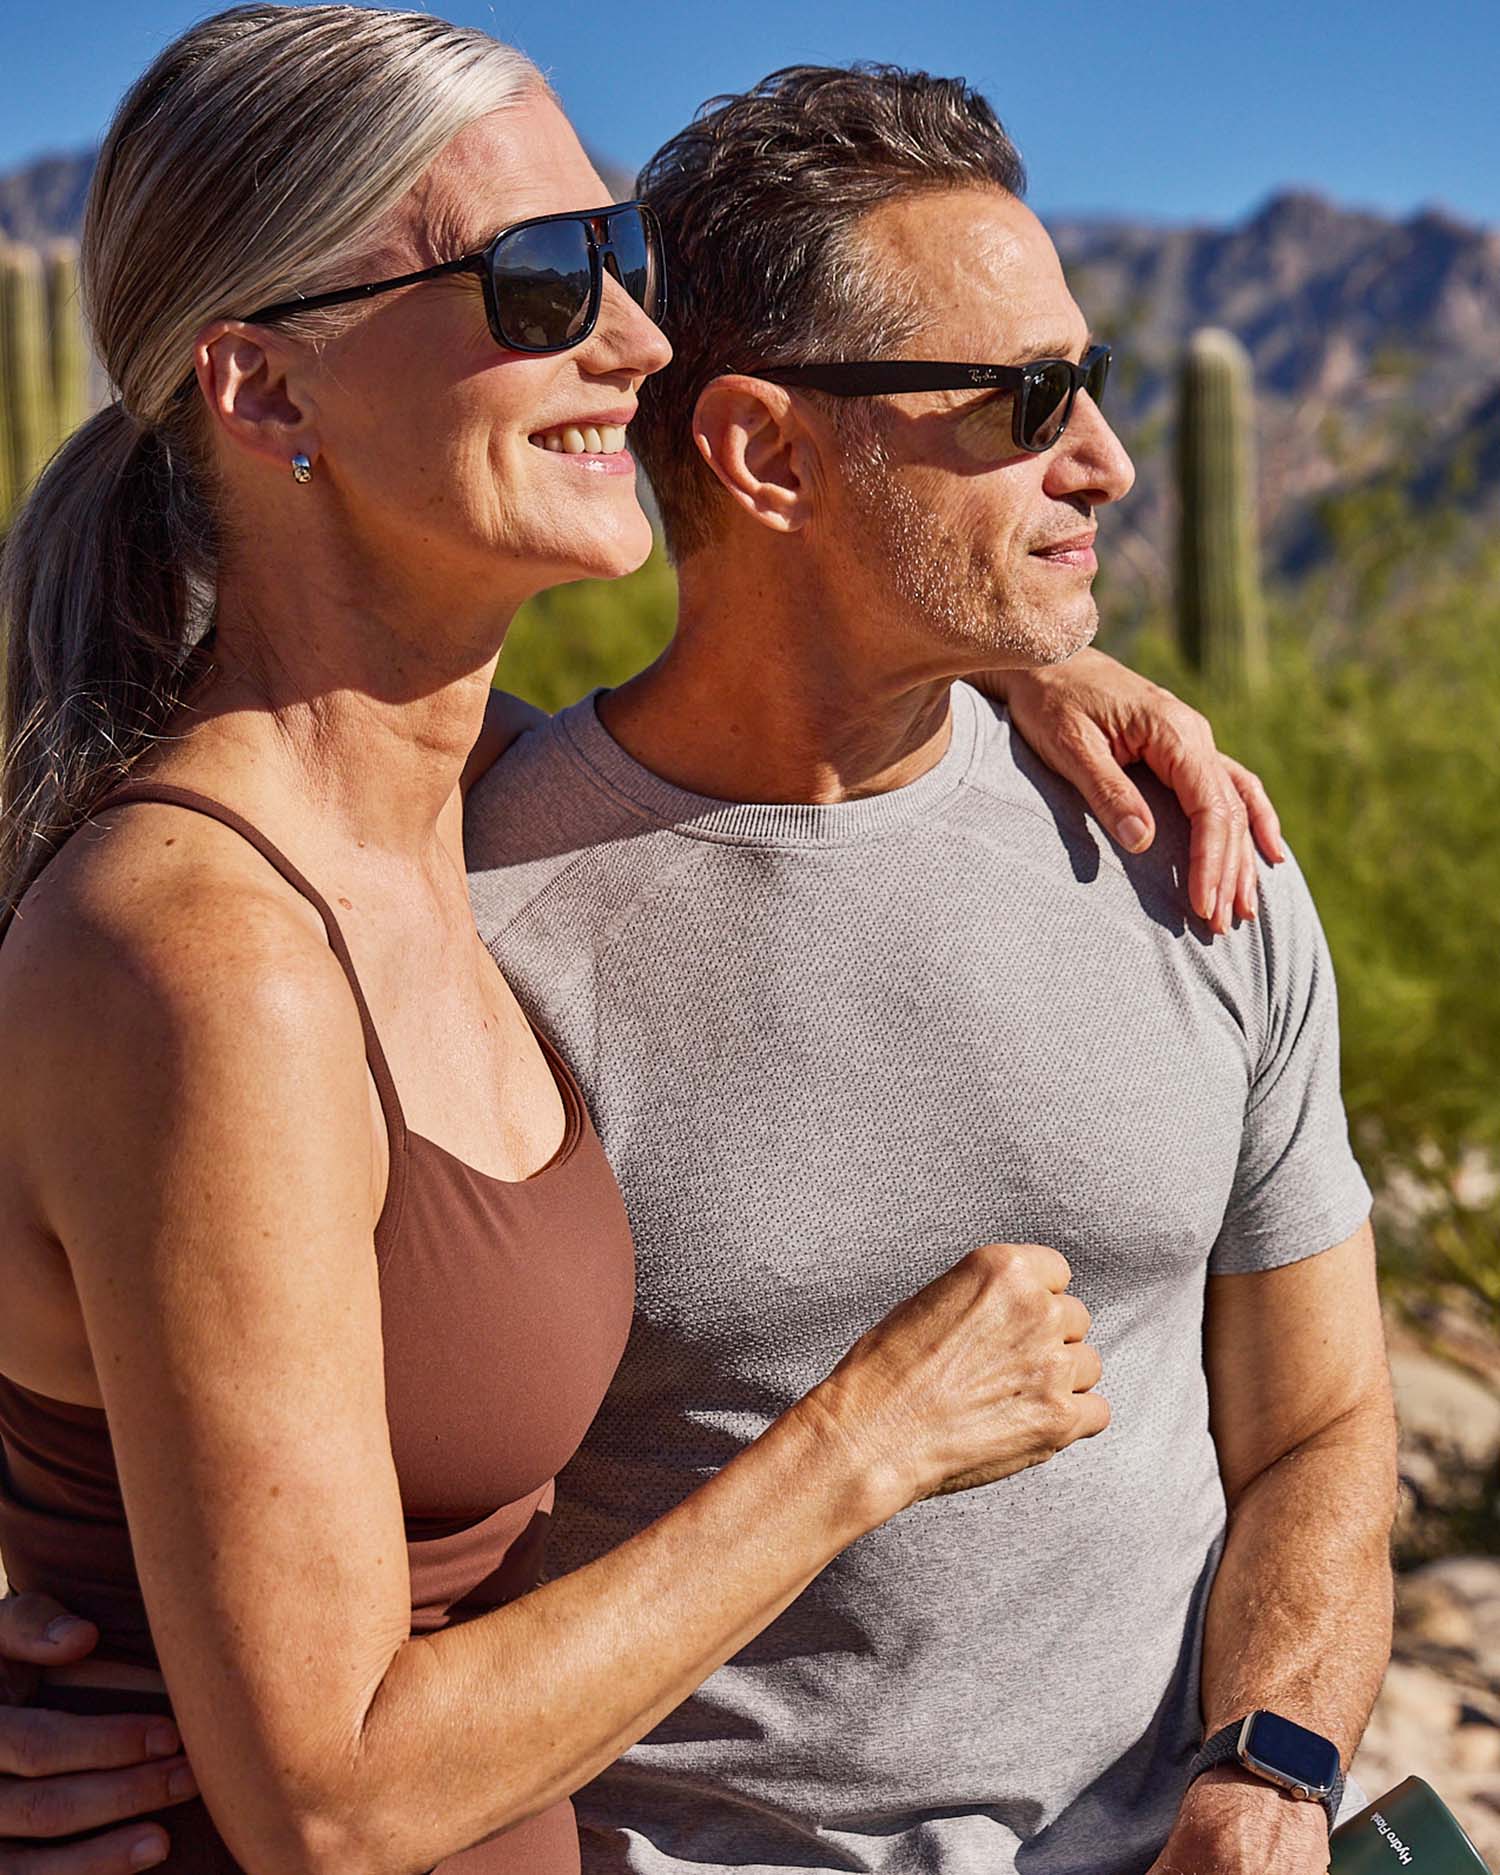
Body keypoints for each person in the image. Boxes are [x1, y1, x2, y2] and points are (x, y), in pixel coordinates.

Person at [0, 13, 1292, 1875]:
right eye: (540, 282)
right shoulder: (212, 956)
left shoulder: (452, 813)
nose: (641, 339)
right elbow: (334, 1796)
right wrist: (872, 1437)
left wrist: (1021, 660)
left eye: (627, 262)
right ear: (266, 394)